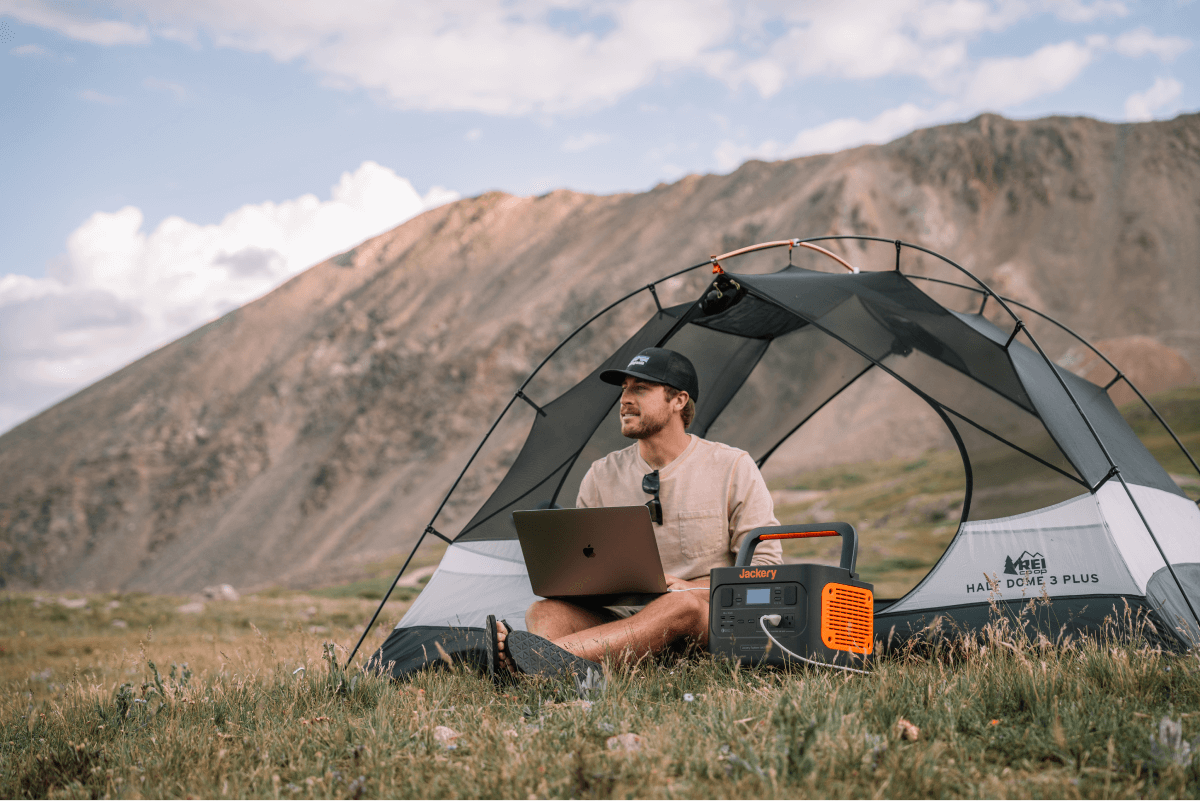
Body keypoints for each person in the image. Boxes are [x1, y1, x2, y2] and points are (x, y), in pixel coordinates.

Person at [490, 347, 782, 679]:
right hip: (625, 621)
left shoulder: (732, 466)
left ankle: (536, 661)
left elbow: (766, 568)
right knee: (545, 611)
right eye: (624, 389)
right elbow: (584, 569)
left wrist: (688, 587)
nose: (625, 399)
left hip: (704, 619)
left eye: (640, 389)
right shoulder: (601, 475)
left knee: (678, 606)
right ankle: (564, 673)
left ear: (679, 401)